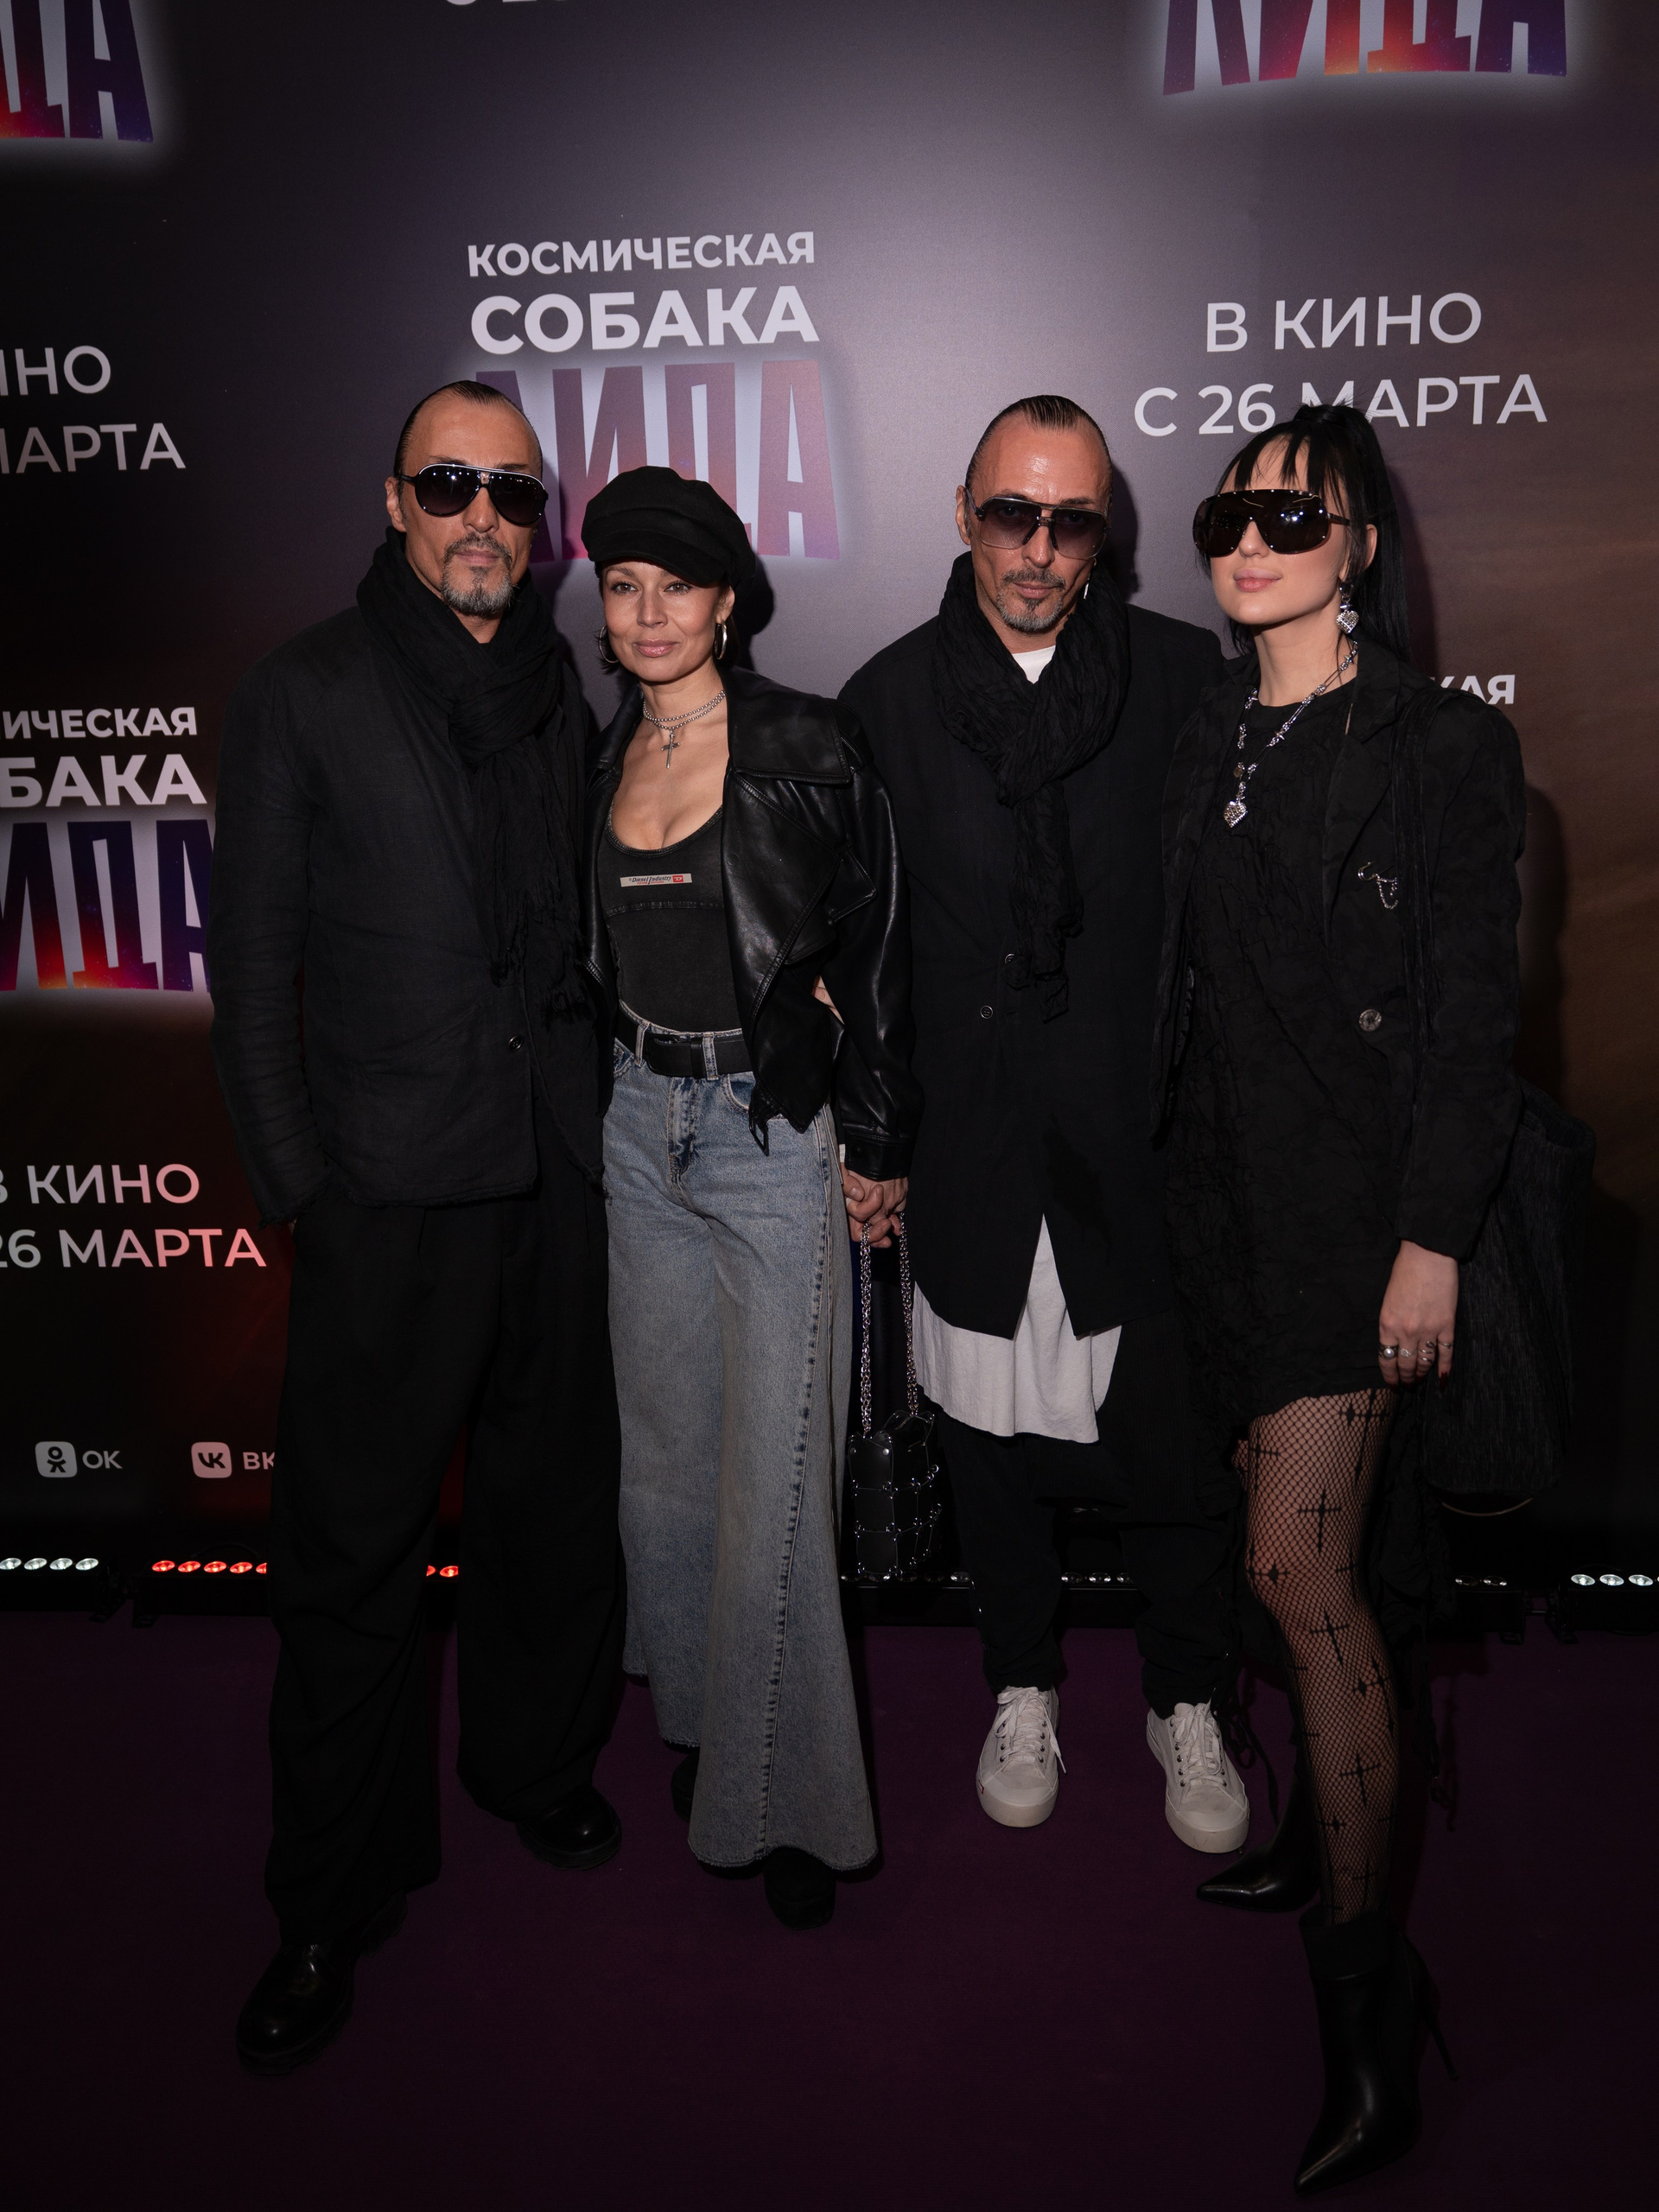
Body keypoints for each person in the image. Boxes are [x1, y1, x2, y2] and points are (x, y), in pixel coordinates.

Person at [208, 381, 626, 2073]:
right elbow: (253, 973)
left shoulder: (560, 693)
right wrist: (303, 1186)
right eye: (449, 484)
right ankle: (328, 1893)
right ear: (393, 501)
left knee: (551, 1515)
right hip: (385, 1196)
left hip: (559, 1176)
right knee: (352, 1560)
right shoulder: (302, 690)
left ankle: (534, 1767)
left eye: (513, 494)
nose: (483, 517)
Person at [1154, 403, 1522, 2192]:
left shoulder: (1439, 742)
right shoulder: (1211, 731)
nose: (1251, 542)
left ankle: (1372, 2010)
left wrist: (1434, 1236)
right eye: (1228, 516)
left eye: (1292, 519)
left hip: (1358, 1225)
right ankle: (1315, 1833)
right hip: (1220, 1214)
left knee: (1301, 1572)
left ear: (1361, 545)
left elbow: (1473, 1010)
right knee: (1296, 1567)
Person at [840, 396, 1249, 1850]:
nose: (1038, 547)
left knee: (1172, 1451)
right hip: (972, 1143)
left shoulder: (1185, 679)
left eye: (1071, 521)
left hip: (1141, 1143)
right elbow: (867, 955)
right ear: (963, 513)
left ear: (1102, 536)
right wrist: (877, 1138)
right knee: (988, 1448)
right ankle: (1021, 1681)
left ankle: (1186, 1696)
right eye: (1011, 512)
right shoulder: (886, 701)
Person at [580, 466, 919, 1929]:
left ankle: (793, 1805)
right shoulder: (602, 747)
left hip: (765, 1135)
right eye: (624, 587)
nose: (650, 613)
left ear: (728, 600)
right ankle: (712, 1727)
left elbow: (883, 948)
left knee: (778, 1480)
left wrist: (877, 1139)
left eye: (678, 586)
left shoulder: (803, 744)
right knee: (666, 1463)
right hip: (634, 1122)